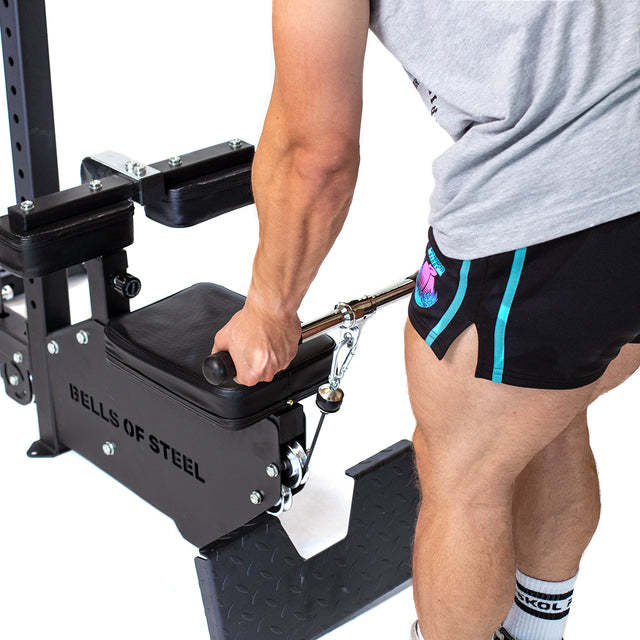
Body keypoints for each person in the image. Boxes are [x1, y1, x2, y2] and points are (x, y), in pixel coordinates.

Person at [211, 1, 640, 638]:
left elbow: (316, 154)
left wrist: (269, 307)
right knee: (546, 413)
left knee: (465, 476)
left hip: (563, 201)